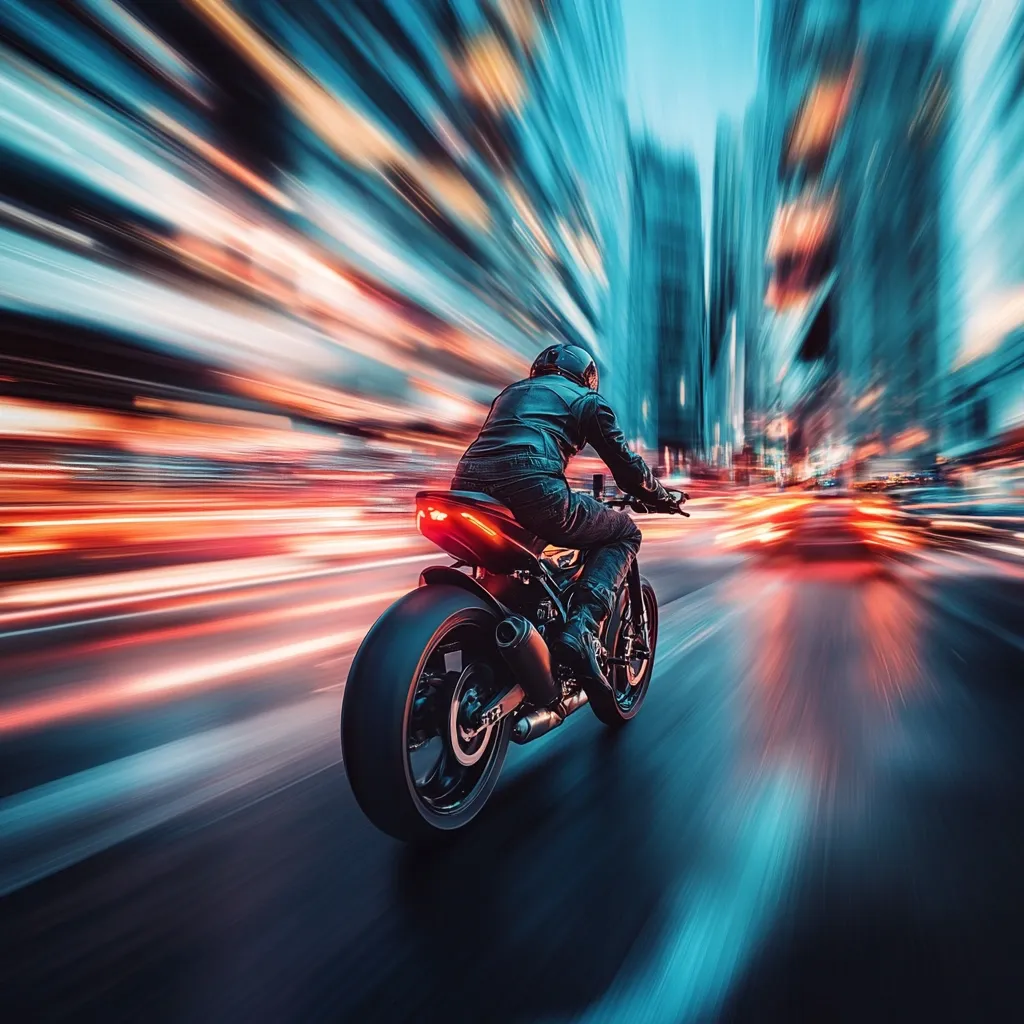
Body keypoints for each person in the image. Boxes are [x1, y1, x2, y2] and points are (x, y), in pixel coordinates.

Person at [451, 342, 684, 698]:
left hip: (467, 487)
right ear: (586, 377)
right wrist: (662, 496)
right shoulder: (587, 400)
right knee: (624, 532)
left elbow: (506, 446)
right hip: (535, 490)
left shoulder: (509, 394)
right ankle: (582, 628)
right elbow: (626, 468)